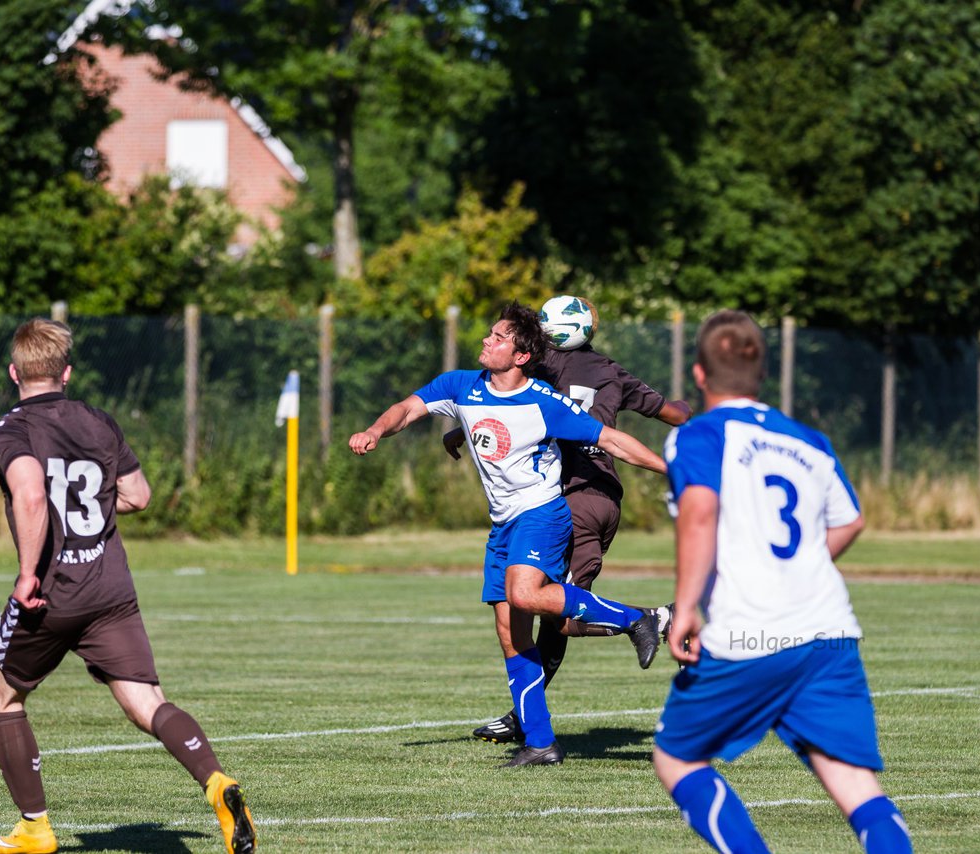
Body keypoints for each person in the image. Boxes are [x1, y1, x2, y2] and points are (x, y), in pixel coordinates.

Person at [349, 302, 668, 767]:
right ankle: (541, 743)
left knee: (525, 595)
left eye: (498, 338)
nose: (486, 341)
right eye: (489, 334)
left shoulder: (543, 401)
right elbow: (406, 409)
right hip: (502, 523)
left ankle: (636, 618)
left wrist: (672, 470)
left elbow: (613, 440)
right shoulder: (462, 386)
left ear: (520, 357)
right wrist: (377, 430)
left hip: (542, 515)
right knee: (511, 633)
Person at [0, 318, 256, 854]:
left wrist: (26, 573)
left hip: (52, 590)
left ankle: (34, 827)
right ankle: (216, 781)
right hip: (109, 587)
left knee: (3, 693)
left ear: (15, 372)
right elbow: (138, 495)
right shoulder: (98, 421)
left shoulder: (10, 429)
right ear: (67, 372)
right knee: (146, 701)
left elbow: (31, 496)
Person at [655, 310, 912, 853]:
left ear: (699, 374)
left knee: (676, 757)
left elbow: (699, 513)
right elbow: (850, 519)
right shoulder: (809, 440)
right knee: (854, 784)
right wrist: (799, 567)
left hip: (751, 632)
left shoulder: (699, 434)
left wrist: (686, 608)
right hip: (829, 633)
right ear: (761, 374)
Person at [454, 296, 691, 745]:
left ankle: (659, 619)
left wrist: (456, 430)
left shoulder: (540, 368)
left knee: (553, 609)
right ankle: (526, 715)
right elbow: (672, 414)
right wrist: (690, 412)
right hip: (604, 498)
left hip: (569, 498)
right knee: (546, 606)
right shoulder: (611, 370)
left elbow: (509, 397)